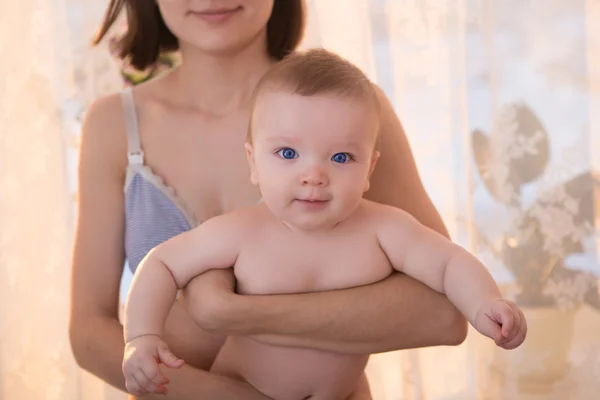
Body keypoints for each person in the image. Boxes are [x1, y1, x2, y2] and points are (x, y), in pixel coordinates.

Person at [68, 1, 479, 399]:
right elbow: (88, 333)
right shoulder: (114, 125)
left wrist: (227, 312)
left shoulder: (349, 111)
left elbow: (444, 313)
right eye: (286, 154)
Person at [121, 49, 527, 399]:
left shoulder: (383, 230)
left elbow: (449, 263)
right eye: (287, 153)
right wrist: (142, 337)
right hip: (237, 388)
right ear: (253, 162)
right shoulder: (241, 233)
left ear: (369, 169)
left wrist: (485, 302)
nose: (313, 175)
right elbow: (161, 263)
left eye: (340, 158)